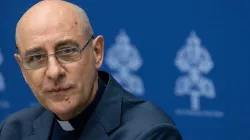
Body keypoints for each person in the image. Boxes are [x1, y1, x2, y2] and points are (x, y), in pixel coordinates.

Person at [0, 0, 182, 139]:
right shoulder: (13, 130)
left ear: (97, 52)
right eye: (36, 58)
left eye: (68, 51)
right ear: (22, 68)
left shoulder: (149, 133)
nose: (54, 72)